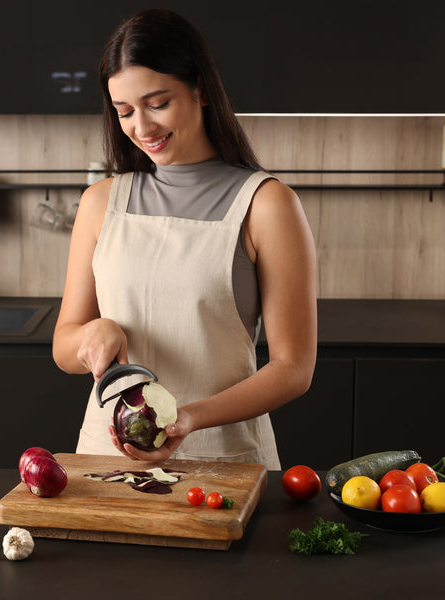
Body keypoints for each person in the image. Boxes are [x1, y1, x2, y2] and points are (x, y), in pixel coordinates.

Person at [52, 8, 317, 469]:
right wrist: (92, 336)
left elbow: (293, 369)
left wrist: (189, 418)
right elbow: (63, 346)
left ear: (200, 88)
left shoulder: (267, 205)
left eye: (157, 103)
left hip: (225, 460)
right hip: (107, 455)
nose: (142, 127)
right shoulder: (100, 202)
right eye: (124, 112)